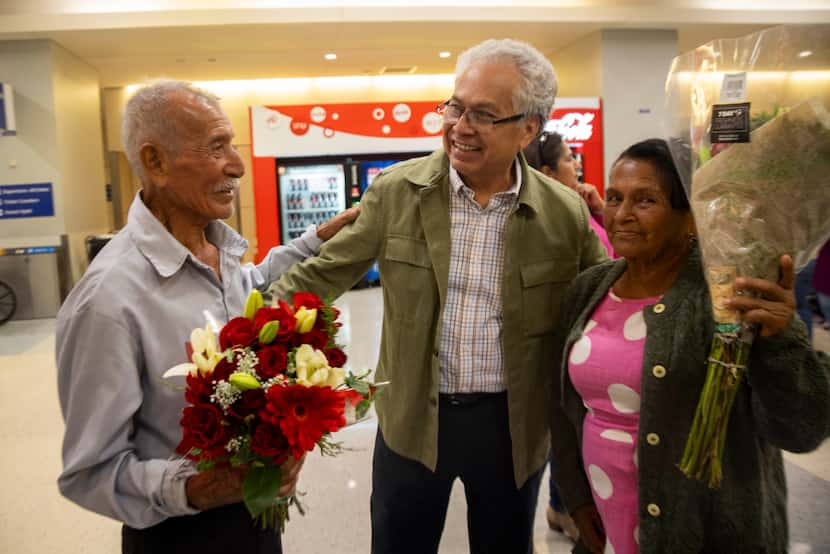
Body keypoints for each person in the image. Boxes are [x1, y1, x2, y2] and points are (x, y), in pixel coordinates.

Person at [269, 39, 607, 554]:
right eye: (455, 106)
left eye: (484, 115)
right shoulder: (397, 191)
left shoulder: (564, 216)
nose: (460, 126)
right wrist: (242, 328)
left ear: (529, 129)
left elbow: (609, 304)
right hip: (411, 420)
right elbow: (321, 276)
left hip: (512, 429)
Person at [56, 80, 359, 554]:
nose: (237, 166)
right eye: (217, 147)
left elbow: (245, 295)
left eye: (232, 146)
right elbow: (90, 472)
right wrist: (203, 488)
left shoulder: (215, 248)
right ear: (155, 161)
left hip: (255, 520)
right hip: (179, 535)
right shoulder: (108, 300)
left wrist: (316, 239)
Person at [548, 138, 830, 554]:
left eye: (646, 200)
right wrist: (575, 496)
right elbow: (563, 407)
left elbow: (801, 428)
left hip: (704, 529)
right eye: (614, 197)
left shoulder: (728, 296)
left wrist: (779, 339)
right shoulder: (589, 288)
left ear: (691, 218)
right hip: (607, 518)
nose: (623, 214)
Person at [523, 130, 621, 541]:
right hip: (568, 345)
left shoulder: (578, 211)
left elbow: (615, 262)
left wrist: (600, 213)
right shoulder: (546, 219)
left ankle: (561, 506)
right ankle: (564, 506)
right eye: (568, 159)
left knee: (567, 433)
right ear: (545, 171)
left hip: (592, 341)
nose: (576, 164)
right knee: (564, 434)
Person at [524, 131, 614, 257]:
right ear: (548, 172)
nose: (578, 165)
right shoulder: (559, 216)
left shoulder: (580, 205)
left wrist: (600, 210)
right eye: (569, 159)